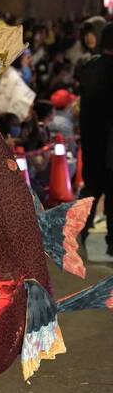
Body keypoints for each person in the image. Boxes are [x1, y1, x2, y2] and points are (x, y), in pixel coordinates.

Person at [77, 24, 113, 254]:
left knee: (91, 187)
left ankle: (79, 230)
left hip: (90, 139)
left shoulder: (89, 67)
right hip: (110, 143)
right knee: (111, 190)